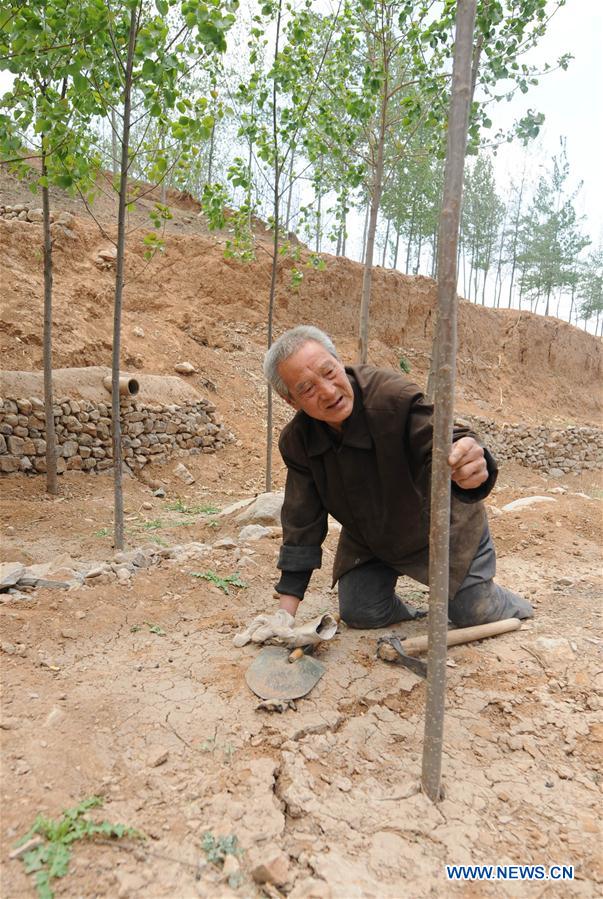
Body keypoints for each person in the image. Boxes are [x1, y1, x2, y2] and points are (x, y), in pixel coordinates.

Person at [262, 325, 533, 630]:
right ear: (291, 401)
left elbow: (444, 439)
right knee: (360, 612)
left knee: (473, 612)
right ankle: (409, 611)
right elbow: (302, 522)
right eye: (307, 389)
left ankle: (510, 602)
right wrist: (285, 615)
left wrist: (469, 459)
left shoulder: (391, 397)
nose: (327, 392)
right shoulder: (298, 441)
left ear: (339, 362)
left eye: (329, 372)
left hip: (439, 526)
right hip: (371, 538)